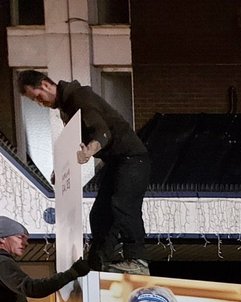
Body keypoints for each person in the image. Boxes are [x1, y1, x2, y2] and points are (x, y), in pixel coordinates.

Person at [19, 70, 151, 276]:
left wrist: (89, 150)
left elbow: (102, 131)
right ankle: (97, 264)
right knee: (99, 214)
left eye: (37, 97)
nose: (39, 103)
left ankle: (137, 261)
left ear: (45, 85)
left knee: (122, 204)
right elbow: (74, 142)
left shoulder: (79, 97)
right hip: (117, 162)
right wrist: (62, 166)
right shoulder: (67, 109)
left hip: (133, 158)